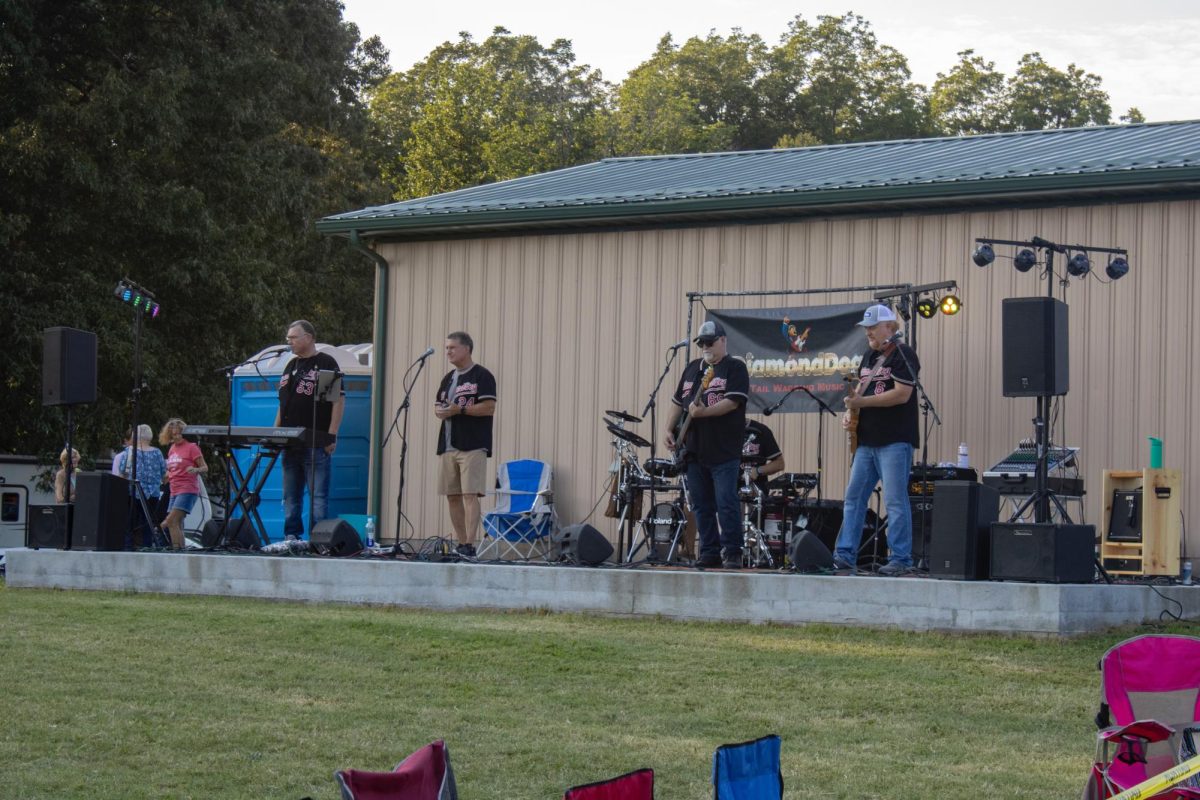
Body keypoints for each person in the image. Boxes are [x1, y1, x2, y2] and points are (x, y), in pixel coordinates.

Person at [832, 304, 920, 576]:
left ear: (890, 327)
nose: (868, 332)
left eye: (873, 327)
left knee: (894, 499)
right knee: (854, 498)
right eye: (866, 328)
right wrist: (851, 413)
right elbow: (860, 390)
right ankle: (844, 555)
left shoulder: (904, 354)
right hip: (867, 441)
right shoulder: (869, 356)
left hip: (894, 439)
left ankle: (901, 559)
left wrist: (862, 401)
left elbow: (902, 394)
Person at [665, 320, 750, 569]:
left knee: (726, 502)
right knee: (701, 504)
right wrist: (669, 429)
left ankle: (732, 551)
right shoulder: (693, 369)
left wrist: (705, 412)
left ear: (723, 340)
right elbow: (678, 401)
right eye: (701, 343)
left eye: (710, 342)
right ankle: (709, 551)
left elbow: (732, 402)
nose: (705, 347)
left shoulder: (735, 368)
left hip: (724, 450)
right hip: (694, 449)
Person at [275, 319, 345, 540]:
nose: (290, 342)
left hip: (315, 441)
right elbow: (282, 404)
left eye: (294, 337)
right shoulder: (290, 366)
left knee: (317, 496)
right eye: (288, 338)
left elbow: (336, 401)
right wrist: (274, 433)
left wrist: (332, 434)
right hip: (289, 442)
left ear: (309, 337)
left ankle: (318, 540)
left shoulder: (324, 363)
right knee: (290, 495)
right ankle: (291, 537)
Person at [434, 331, 497, 557]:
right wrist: (440, 411)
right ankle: (460, 543)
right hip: (448, 445)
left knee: (470, 494)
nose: (448, 352)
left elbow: (489, 407)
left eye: (452, 347)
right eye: (446, 348)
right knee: (452, 495)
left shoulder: (482, 376)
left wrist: (459, 409)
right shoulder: (448, 378)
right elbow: (439, 406)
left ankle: (470, 545)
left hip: (473, 445)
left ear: (467, 349)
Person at [159, 418, 207, 550]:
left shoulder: (192, 448)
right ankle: (180, 550)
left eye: (179, 433)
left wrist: (195, 469)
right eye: (174, 434)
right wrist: (167, 476)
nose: (177, 436)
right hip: (174, 489)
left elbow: (205, 467)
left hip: (187, 489)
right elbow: (171, 469)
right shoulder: (172, 449)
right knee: (177, 523)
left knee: (171, 521)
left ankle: (176, 549)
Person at [120, 424, 166, 548]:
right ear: (150, 437)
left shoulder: (129, 452)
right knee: (148, 524)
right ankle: (147, 548)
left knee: (130, 524)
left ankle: (128, 548)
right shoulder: (157, 453)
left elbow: (122, 472)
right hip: (153, 495)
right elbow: (164, 473)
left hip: (133, 493)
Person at [743, 418, 785, 494]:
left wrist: (758, 471)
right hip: (725, 493)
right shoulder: (720, 430)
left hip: (756, 494)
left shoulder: (762, 430)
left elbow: (779, 464)